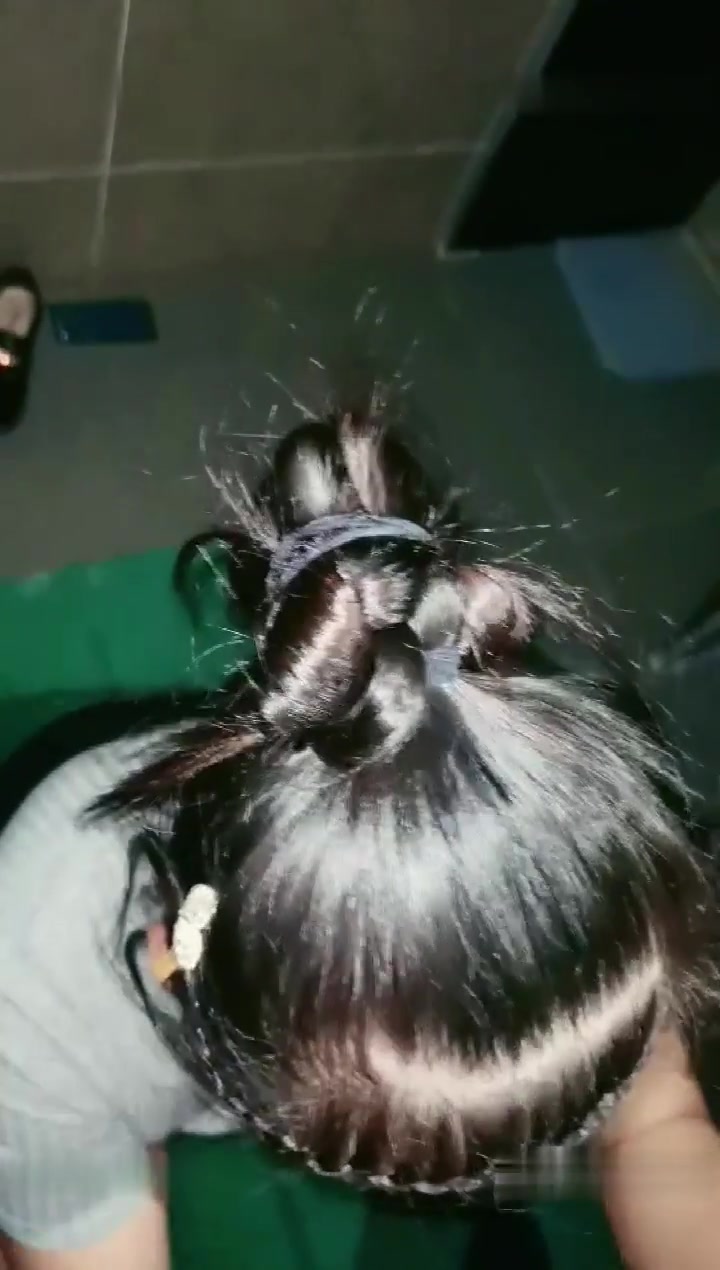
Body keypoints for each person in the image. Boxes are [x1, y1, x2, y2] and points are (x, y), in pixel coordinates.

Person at [0, 412, 718, 1269]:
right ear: (185, 957)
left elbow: (659, 1121)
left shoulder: (591, 861)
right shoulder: (35, 987)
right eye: (361, 1155)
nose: (458, 1186)